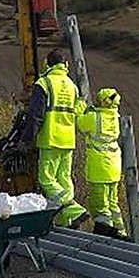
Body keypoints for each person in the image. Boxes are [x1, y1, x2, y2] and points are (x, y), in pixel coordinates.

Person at [22, 48, 88, 227]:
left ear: (47, 64)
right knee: (64, 179)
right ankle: (65, 222)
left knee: (46, 179)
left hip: (50, 138)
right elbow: (76, 112)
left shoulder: (44, 83)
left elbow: (36, 115)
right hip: (68, 140)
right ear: (65, 65)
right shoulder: (72, 86)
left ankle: (74, 210)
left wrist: (26, 139)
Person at [78, 87, 125, 238]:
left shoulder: (94, 117)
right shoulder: (115, 118)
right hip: (114, 167)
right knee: (113, 203)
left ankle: (105, 234)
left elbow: (79, 124)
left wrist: (80, 107)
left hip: (99, 168)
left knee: (100, 205)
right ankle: (121, 233)